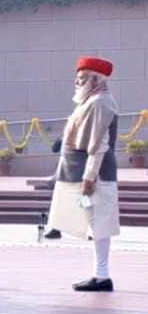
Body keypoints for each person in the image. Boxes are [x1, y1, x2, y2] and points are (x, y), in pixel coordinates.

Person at [47, 56, 120, 292]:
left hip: (94, 175)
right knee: (91, 219)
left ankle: (102, 276)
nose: (77, 82)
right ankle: (58, 228)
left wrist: (89, 179)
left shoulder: (101, 102)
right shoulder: (88, 101)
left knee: (99, 223)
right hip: (79, 175)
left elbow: (99, 144)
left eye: (81, 78)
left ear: (94, 79)